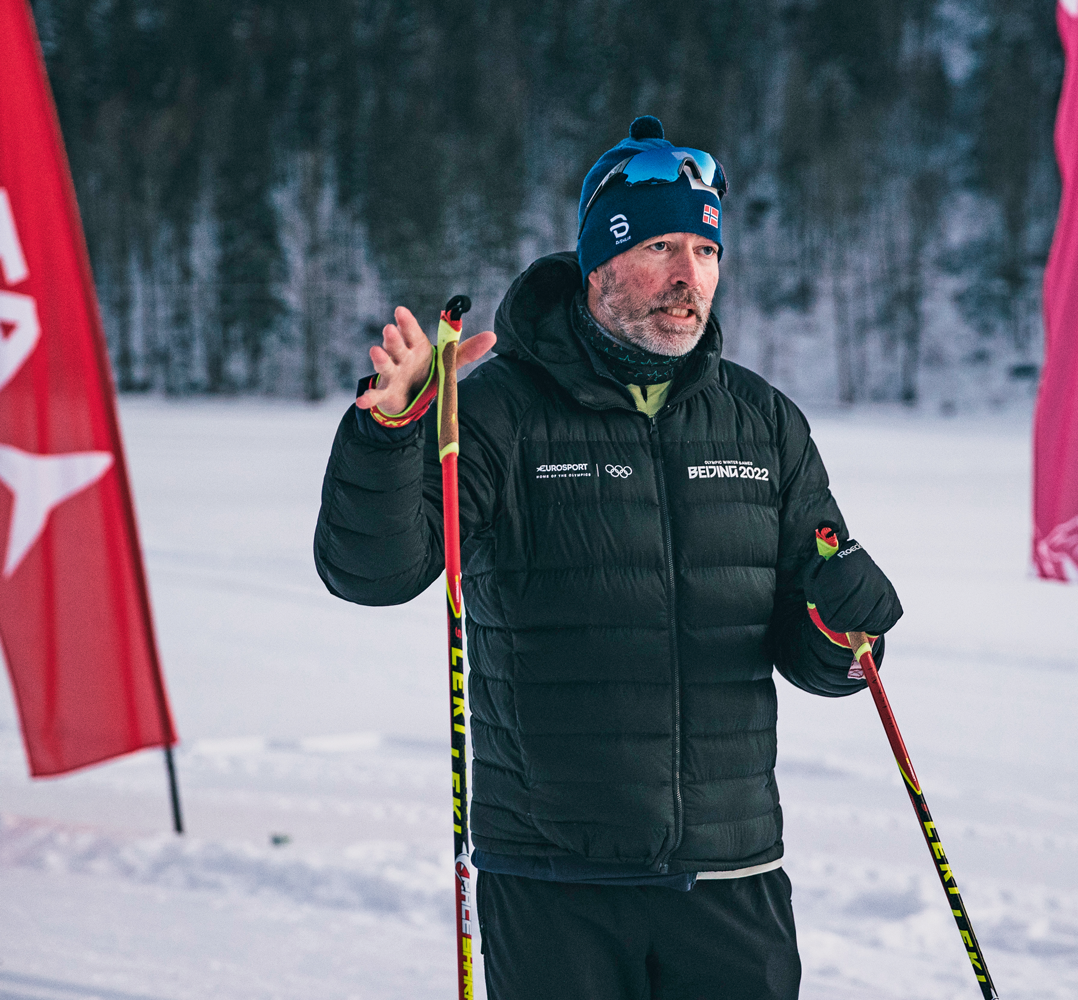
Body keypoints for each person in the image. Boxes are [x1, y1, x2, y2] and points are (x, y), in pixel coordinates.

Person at [313, 115, 903, 1000]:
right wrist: (389, 435)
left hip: (731, 871)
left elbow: (822, 658)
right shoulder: (501, 414)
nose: (686, 276)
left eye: (703, 251)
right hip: (554, 876)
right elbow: (373, 574)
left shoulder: (762, 422)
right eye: (660, 246)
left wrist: (844, 624)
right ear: (599, 263)